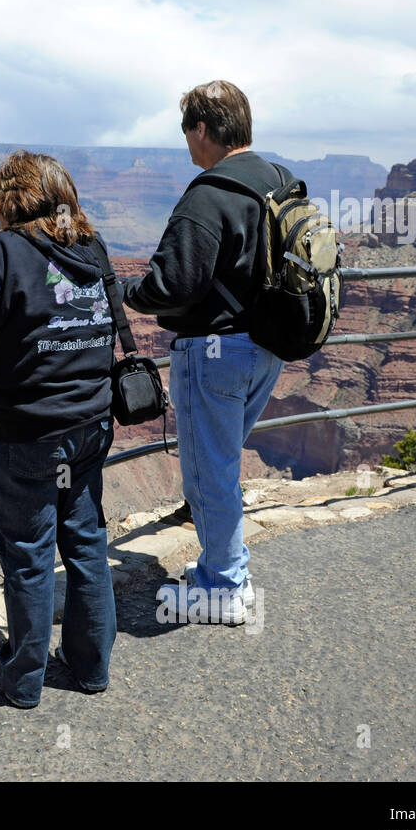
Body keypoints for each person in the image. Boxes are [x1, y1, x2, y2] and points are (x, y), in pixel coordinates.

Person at [0, 150, 117, 709]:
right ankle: (90, 668)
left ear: (9, 200)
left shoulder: (3, 252)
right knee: (85, 544)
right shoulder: (90, 248)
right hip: (90, 427)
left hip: (26, 437)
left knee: (29, 556)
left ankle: (22, 678)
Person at [121, 80, 285, 625]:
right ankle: (224, 564)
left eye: (186, 132)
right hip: (270, 346)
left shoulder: (208, 193)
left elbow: (171, 285)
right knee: (222, 463)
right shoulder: (279, 180)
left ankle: (224, 589)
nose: (187, 145)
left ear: (202, 130)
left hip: (216, 353)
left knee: (210, 472)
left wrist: (125, 293)